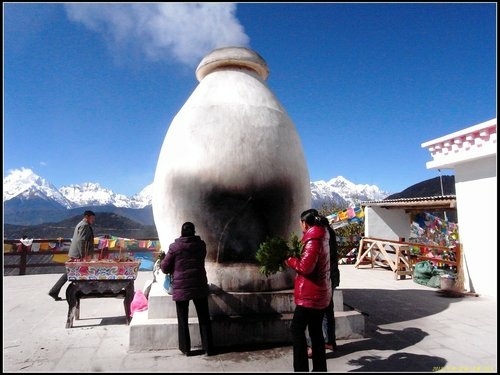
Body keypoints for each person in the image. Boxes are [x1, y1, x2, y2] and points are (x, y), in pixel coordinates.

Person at [285, 209, 332, 372]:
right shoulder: (323, 235)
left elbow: (306, 267)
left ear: (305, 223)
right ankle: (320, 369)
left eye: (301, 222)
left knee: (296, 330)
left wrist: (289, 260)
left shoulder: (313, 239)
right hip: (320, 293)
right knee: (316, 332)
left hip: (310, 295)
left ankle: (301, 369)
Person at [160, 222, 214, 357]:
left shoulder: (175, 247)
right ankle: (208, 348)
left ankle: (186, 349)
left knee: (183, 319)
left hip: (182, 287)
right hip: (199, 285)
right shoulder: (201, 245)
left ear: (181, 232)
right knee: (204, 318)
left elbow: (165, 268)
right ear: (194, 232)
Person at [307, 216, 340, 358]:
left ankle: (317, 345)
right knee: (327, 310)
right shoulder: (330, 233)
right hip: (331, 276)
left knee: (317, 313)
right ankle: (329, 341)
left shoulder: (321, 235)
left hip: (325, 277)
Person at [48, 210, 96, 301]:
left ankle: (54, 291)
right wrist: (83, 255)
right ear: (87, 217)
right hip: (78, 254)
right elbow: (82, 241)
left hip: (77, 253)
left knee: (70, 272)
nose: (93, 220)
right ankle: (80, 290)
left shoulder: (81, 224)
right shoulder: (84, 225)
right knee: (74, 272)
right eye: (92, 218)